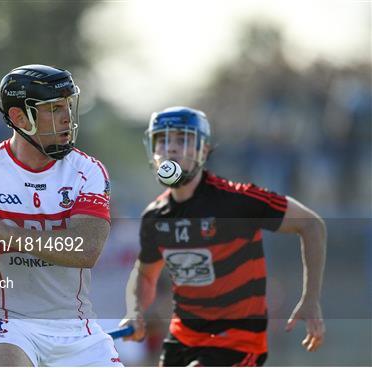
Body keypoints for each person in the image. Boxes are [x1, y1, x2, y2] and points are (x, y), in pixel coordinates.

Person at [0, 64, 121, 367]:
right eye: (53, 109)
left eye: (67, 106)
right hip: (4, 323)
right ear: (19, 118)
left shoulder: (87, 172)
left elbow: (86, 250)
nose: (67, 118)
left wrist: (3, 231)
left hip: (74, 328)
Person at [119, 106, 326, 366]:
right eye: (163, 140)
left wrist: (310, 299)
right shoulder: (155, 216)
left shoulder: (237, 200)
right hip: (183, 339)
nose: (170, 148)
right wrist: (135, 311)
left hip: (237, 341)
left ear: (203, 150)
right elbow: (145, 274)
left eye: (182, 139)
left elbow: (311, 225)